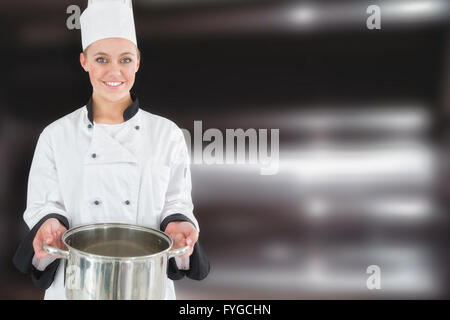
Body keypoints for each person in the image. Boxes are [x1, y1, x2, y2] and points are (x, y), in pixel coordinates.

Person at [12, 0, 210, 299]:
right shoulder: (56, 135)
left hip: (146, 284)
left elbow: (175, 203)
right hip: (75, 284)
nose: (114, 71)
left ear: (138, 61)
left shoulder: (166, 134)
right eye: (102, 59)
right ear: (84, 61)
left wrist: (180, 225)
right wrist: (49, 226)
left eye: (125, 59)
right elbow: (43, 207)